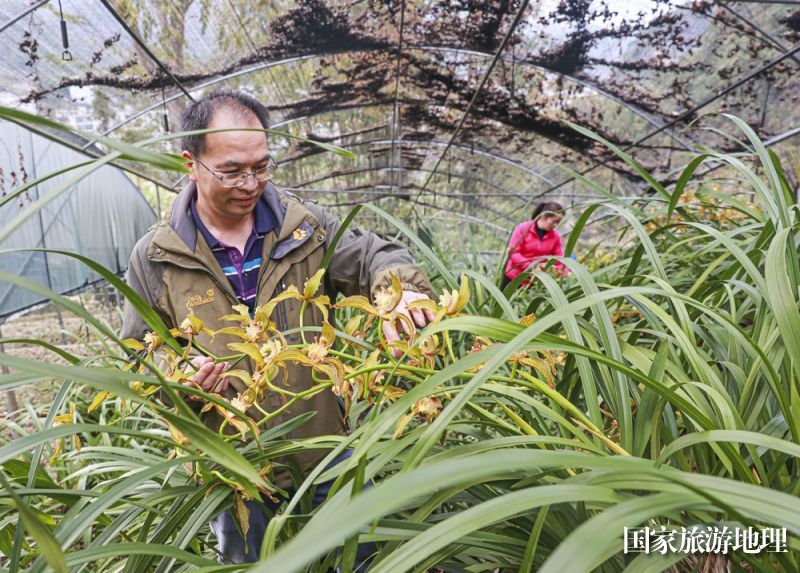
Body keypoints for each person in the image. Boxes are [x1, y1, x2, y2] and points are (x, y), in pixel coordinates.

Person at [120, 89, 435, 565]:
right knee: (250, 562)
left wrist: (400, 291)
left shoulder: (304, 228)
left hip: (325, 449)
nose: (251, 183)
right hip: (231, 463)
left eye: (262, 166)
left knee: (361, 556)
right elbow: (139, 348)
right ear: (191, 163)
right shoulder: (155, 257)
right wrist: (177, 372)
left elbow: (375, 254)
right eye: (231, 171)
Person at [501, 201, 566, 289]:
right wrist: (531, 266)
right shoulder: (523, 228)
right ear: (544, 216)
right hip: (513, 278)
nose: (555, 225)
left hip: (534, 282)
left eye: (558, 222)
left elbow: (558, 259)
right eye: (554, 221)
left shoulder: (555, 237)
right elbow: (513, 253)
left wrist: (564, 271)